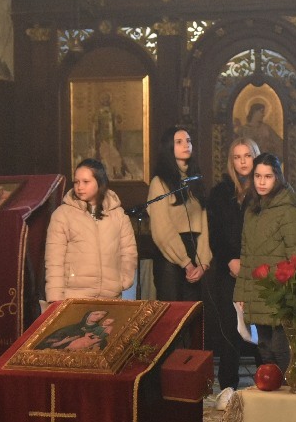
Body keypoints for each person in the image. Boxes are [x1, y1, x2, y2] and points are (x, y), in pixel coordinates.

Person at [233, 153, 296, 371]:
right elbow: (246, 255)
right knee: (264, 350)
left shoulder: (288, 210)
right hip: (257, 290)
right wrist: (241, 294)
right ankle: (274, 390)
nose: (262, 182)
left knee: (280, 349)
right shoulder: (251, 211)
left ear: (277, 178)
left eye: (268, 176)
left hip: (280, 290)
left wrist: (294, 292)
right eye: (257, 176)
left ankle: (290, 390)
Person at [207, 136, 263, 398]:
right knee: (229, 329)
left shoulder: (264, 189)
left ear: (255, 157)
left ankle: (267, 381)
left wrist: (250, 264)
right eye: (237, 157)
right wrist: (230, 260)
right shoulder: (220, 193)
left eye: (247, 156)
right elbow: (215, 232)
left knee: (261, 326)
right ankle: (228, 387)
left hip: (258, 270)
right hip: (227, 269)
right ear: (231, 161)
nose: (242, 162)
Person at [44, 157, 137, 303]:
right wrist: (55, 300)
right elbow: (54, 260)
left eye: (86, 182)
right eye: (76, 182)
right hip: (74, 297)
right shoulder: (62, 215)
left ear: (99, 182)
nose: (80, 187)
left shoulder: (118, 215)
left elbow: (129, 251)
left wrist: (123, 281)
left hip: (110, 298)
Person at [148, 127, 212, 302]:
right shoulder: (159, 182)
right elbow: (162, 229)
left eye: (188, 141)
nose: (186, 145)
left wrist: (203, 263)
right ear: (169, 147)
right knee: (173, 313)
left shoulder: (195, 181)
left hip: (195, 253)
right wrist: (186, 263)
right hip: (170, 257)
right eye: (179, 142)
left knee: (194, 313)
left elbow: (204, 226)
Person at [35, 308, 110, 350]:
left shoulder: (99, 331)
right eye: (96, 314)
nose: (99, 316)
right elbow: (45, 344)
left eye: (103, 315)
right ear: (88, 315)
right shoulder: (71, 328)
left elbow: (102, 346)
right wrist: (63, 342)